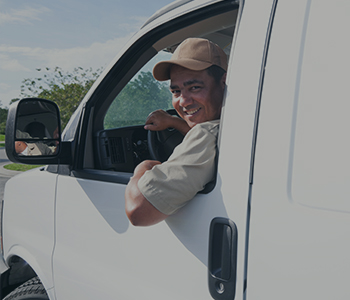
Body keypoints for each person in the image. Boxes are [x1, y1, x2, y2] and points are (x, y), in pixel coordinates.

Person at [125, 38, 227, 226]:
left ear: (224, 82)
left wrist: (145, 166)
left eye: (195, 87)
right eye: (176, 91)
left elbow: (138, 211)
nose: (183, 101)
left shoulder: (206, 135)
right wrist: (173, 122)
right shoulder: (232, 124)